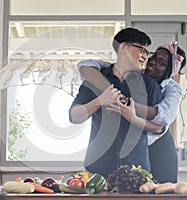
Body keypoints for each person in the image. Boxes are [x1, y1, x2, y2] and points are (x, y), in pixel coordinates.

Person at [77, 41, 186, 183]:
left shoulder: (172, 88)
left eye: (161, 62)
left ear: (169, 71)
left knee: (164, 191)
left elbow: (162, 120)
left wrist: (123, 101)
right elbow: (85, 66)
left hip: (158, 147)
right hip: (134, 148)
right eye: (153, 57)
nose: (152, 62)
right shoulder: (131, 73)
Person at [69, 28, 163, 178]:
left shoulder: (150, 86)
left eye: (147, 52)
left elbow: (159, 127)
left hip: (137, 169)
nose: (145, 56)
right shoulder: (95, 80)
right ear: (124, 47)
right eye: (142, 50)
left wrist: (134, 118)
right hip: (97, 168)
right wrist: (100, 100)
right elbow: (74, 116)